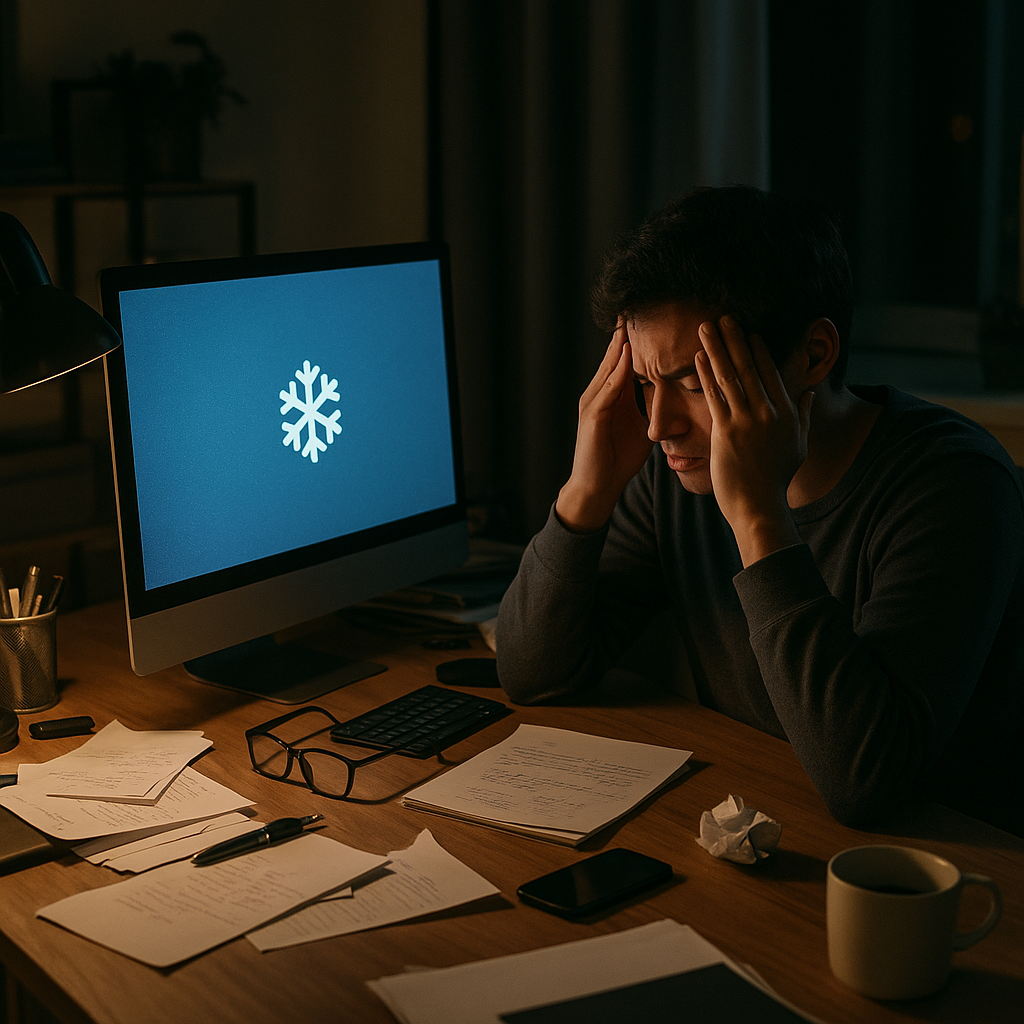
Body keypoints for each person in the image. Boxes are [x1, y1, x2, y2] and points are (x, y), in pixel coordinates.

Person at [496, 184, 1024, 836]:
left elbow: (865, 779)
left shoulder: (955, 487)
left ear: (814, 355)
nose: (658, 424)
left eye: (693, 384)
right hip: (770, 818)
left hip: (944, 871)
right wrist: (584, 492)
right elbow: (532, 674)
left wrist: (757, 518)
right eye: (643, 385)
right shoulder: (672, 478)